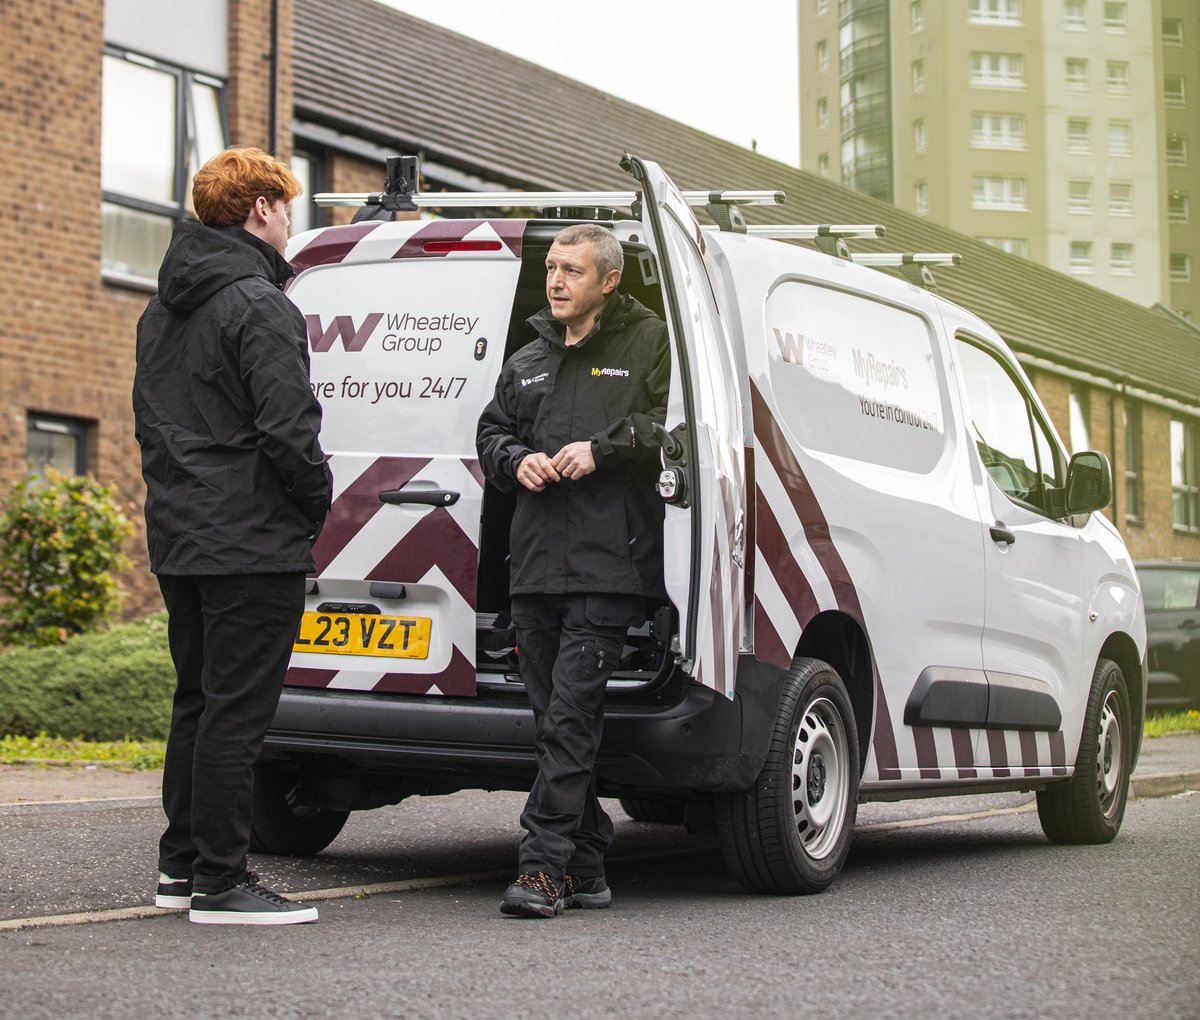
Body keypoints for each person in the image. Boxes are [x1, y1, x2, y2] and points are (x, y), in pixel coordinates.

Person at [133, 146, 332, 926]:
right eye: (285, 205)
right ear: (259, 210)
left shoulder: (161, 310)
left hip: (181, 534)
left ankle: (179, 868)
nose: (289, 217)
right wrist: (312, 505)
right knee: (237, 714)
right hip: (251, 539)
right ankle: (222, 881)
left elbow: (152, 427)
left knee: (197, 702)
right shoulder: (259, 303)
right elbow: (290, 429)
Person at [477, 223, 670, 918]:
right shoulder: (526, 357)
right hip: (532, 569)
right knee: (553, 721)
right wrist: (512, 459)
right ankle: (588, 860)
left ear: (608, 281)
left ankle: (543, 870)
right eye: (552, 268)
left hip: (606, 569)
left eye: (572, 271)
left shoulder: (648, 343)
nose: (555, 281)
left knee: (570, 716)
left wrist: (604, 448)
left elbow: (672, 427)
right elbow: (491, 430)